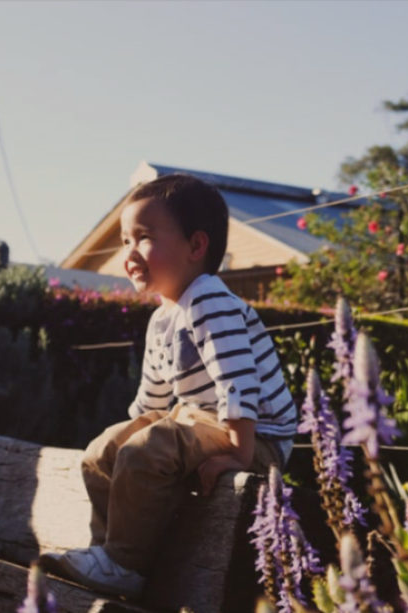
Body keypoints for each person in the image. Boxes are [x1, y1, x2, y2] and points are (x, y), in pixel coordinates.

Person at [43, 174, 297, 599]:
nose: (129, 253)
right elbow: (153, 401)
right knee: (103, 450)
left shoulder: (209, 300)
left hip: (258, 436)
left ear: (196, 247)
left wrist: (239, 451)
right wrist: (125, 436)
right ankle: (108, 553)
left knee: (149, 448)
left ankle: (125, 563)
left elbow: (238, 381)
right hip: (200, 422)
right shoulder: (163, 318)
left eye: (143, 238)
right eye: (125, 240)